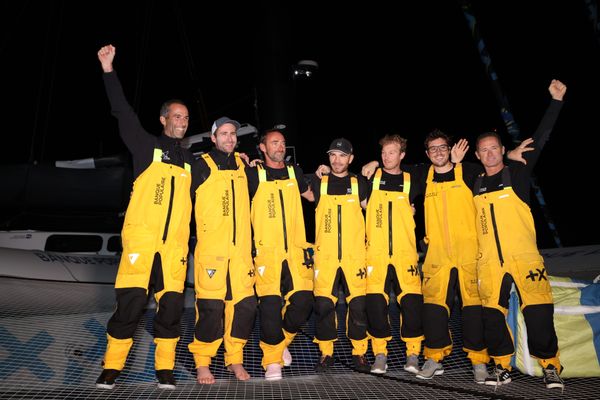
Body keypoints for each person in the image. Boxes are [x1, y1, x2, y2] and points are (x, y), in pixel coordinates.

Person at [361, 133, 531, 382]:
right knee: (433, 310)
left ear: (451, 150)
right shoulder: (422, 176)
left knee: (472, 310)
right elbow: (393, 167)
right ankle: (434, 357)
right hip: (437, 253)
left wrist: (510, 154)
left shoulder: (471, 172)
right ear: (428, 155)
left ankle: (479, 361)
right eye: (433, 149)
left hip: (469, 252)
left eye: (443, 148)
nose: (439, 152)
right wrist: (374, 163)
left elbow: (493, 163)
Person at [95, 44, 194, 390]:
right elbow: (122, 112)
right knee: (130, 307)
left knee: (170, 310)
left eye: (185, 118)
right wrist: (109, 70)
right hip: (141, 244)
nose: (181, 122)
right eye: (176, 117)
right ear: (164, 119)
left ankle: (164, 369)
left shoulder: (192, 161)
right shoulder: (144, 145)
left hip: (173, 251)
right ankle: (111, 367)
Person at [473, 79, 567, 389]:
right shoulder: (474, 183)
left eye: (493, 149)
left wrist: (555, 102)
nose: (489, 154)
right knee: (491, 318)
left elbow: (540, 140)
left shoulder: (518, 172)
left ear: (503, 150)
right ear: (478, 155)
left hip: (524, 257)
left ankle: (550, 367)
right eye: (483, 151)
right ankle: (502, 367)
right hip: (489, 263)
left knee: (539, 312)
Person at [188, 116, 257, 385]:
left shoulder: (242, 164)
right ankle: (203, 363)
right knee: (210, 309)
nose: (229, 138)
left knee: (244, 307)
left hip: (240, 253)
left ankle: (234, 359)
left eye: (233, 134)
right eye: (224, 133)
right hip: (212, 253)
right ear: (214, 138)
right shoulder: (201, 166)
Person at [246, 126, 315, 380]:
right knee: (271, 306)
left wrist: (325, 174)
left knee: (304, 301)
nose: (280, 147)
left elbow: (312, 196)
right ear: (263, 148)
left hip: (297, 251)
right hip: (267, 252)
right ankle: (271, 360)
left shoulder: (294, 172)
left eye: (282, 143)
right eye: (274, 143)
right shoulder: (253, 174)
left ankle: (282, 342)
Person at [364, 135, 424, 375]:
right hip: (375, 254)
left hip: (405, 253)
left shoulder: (413, 179)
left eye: (392, 152)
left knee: (411, 304)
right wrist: (373, 164)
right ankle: (380, 353)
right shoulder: (370, 178)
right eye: (383, 153)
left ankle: (413, 353)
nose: (386, 157)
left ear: (402, 155)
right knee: (376, 305)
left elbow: (437, 168)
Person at [311, 138, 371, 373]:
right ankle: (326, 353)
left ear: (351, 159)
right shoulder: (318, 182)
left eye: (342, 155)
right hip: (325, 256)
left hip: (354, 256)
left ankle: (360, 352)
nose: (337, 160)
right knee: (324, 306)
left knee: (358, 306)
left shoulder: (360, 184)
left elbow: (376, 207)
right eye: (333, 155)